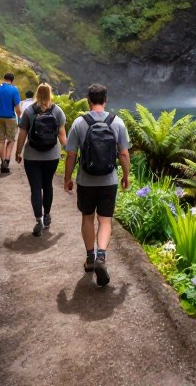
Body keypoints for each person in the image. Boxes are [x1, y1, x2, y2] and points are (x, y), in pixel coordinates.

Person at [63, 83, 130, 287]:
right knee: (106, 220)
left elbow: (71, 154)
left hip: (86, 180)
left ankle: (90, 257)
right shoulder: (117, 122)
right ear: (106, 100)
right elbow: (124, 153)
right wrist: (126, 175)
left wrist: (68, 178)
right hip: (109, 180)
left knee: (87, 217)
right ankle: (102, 256)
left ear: (88, 100)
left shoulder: (79, 123)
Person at [15, 83, 67, 236]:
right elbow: (62, 134)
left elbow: (23, 134)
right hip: (52, 156)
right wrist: (68, 149)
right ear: (50, 94)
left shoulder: (29, 111)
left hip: (32, 156)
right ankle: (47, 215)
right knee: (48, 185)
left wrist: (18, 152)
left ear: (37, 94)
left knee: (36, 188)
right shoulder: (57, 111)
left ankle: (39, 220)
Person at [0, 72, 21, 173]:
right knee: (11, 140)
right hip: (10, 118)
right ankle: (7, 161)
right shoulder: (14, 89)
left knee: (1, 141)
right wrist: (19, 118)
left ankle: (2, 162)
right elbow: (17, 107)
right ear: (12, 80)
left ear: (4, 78)